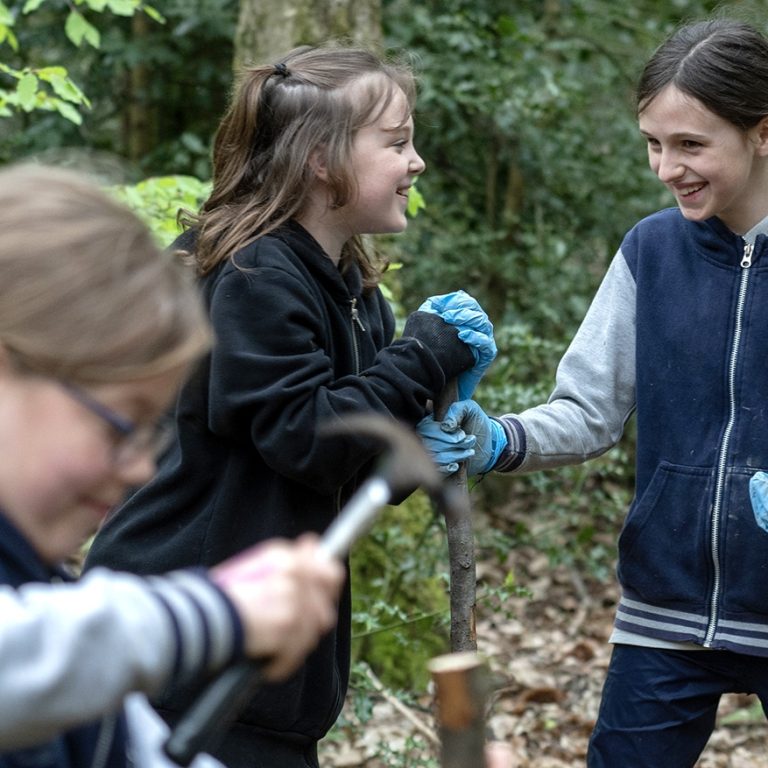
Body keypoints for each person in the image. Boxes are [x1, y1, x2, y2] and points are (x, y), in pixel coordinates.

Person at [84, 42, 495, 768]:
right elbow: (306, 439)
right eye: (397, 143)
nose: (417, 161)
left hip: (271, 681)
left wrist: (409, 456)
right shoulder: (251, 273)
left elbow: (336, 463)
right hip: (189, 665)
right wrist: (423, 357)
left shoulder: (356, 292)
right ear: (322, 159)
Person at [416, 17, 768, 768]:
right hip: (663, 609)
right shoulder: (651, 251)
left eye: (691, 145)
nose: (666, 167)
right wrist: (499, 439)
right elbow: (589, 410)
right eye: (653, 142)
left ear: (763, 133)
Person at [0, 162, 345, 766]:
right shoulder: (46, 641)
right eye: (120, 425)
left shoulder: (41, 590)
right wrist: (217, 612)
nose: (137, 469)